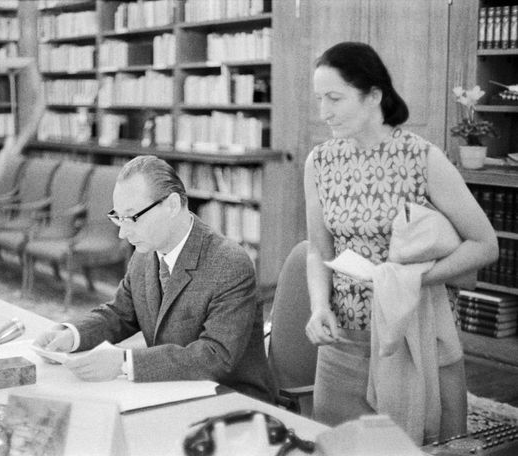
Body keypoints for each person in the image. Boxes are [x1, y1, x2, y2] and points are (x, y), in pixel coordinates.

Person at [304, 42, 498, 443]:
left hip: (413, 340)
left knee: (413, 447)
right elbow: (317, 250)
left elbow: (484, 244)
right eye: (320, 99)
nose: (324, 112)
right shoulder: (319, 161)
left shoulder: (421, 157)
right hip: (343, 341)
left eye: (335, 98)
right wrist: (319, 307)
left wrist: (412, 279)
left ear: (373, 95)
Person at [34, 155, 274, 402]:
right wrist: (72, 334)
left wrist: (125, 362)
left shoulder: (229, 263)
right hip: (170, 391)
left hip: (232, 400)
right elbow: (120, 313)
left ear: (171, 205)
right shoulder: (145, 253)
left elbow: (215, 356)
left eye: (132, 217)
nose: (123, 232)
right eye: (118, 217)